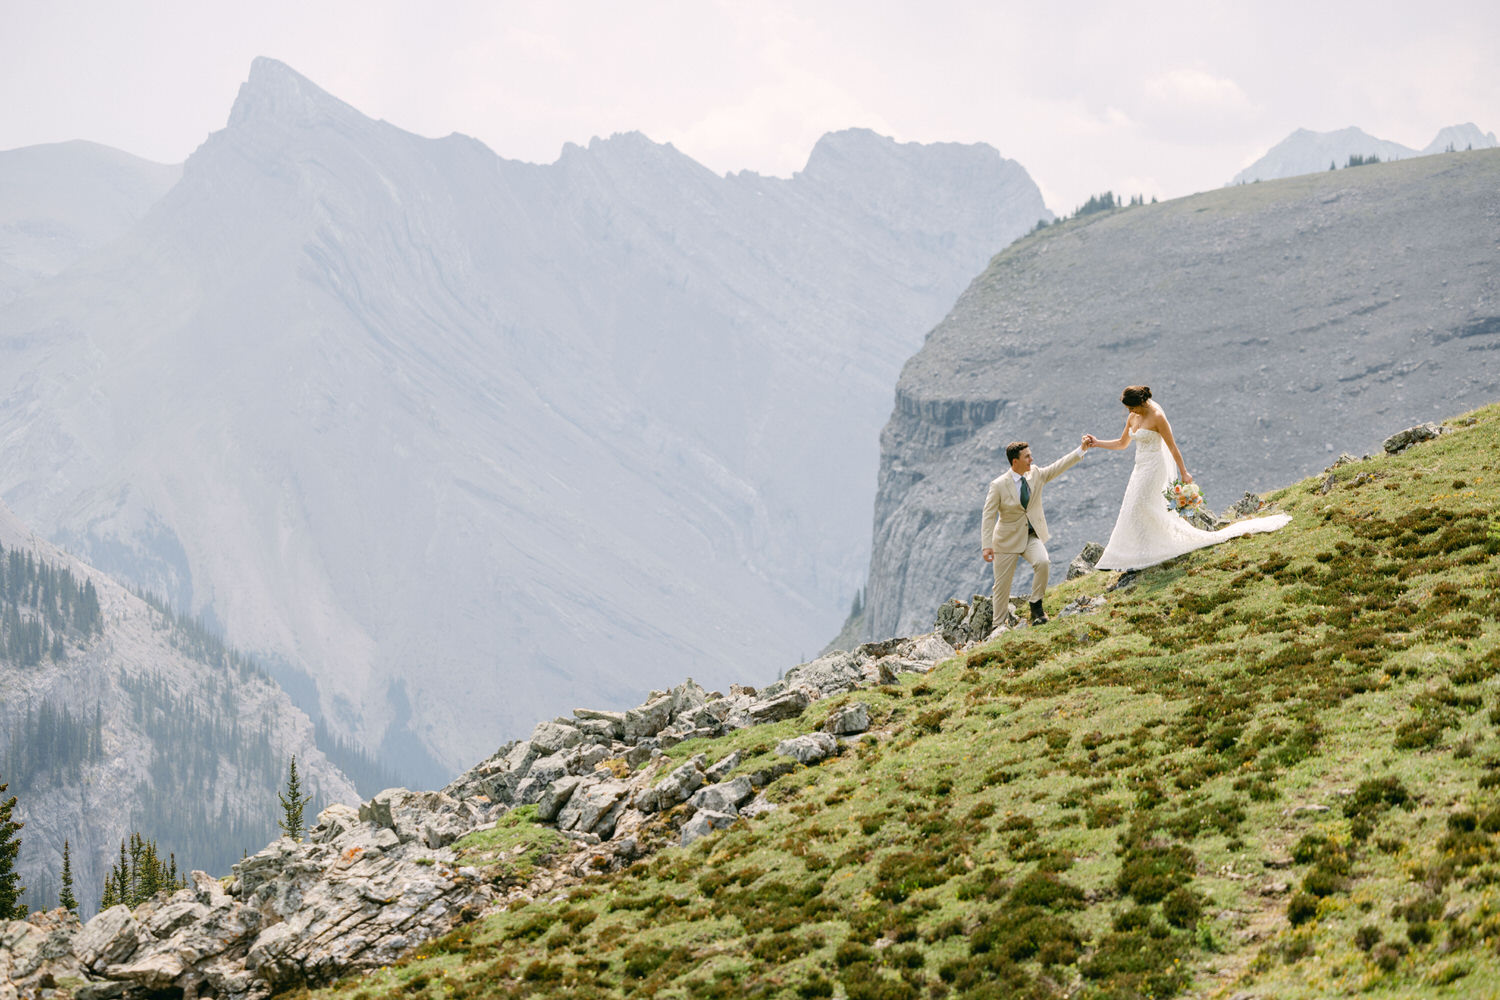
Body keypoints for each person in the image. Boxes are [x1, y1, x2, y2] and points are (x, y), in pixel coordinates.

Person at [1085, 385, 1290, 571]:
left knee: (1139, 505)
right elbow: (1122, 444)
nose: (1130, 412)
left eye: (1132, 408)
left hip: (1155, 468)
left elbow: (1172, 447)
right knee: (1134, 506)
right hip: (1139, 468)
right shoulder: (1132, 417)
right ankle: (1139, 552)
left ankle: (1146, 551)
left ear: (1140, 402)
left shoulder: (1157, 417)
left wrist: (1184, 472)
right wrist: (1097, 443)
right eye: (1128, 410)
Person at [981, 438, 1091, 627]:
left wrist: (1081, 450)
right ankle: (998, 627)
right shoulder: (998, 485)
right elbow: (988, 515)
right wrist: (987, 546)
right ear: (1015, 462)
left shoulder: (1036, 475)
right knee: (1002, 586)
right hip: (1006, 541)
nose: (1031, 459)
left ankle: (1036, 605)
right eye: (1027, 456)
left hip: (1031, 536)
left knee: (1043, 562)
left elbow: (1058, 466)